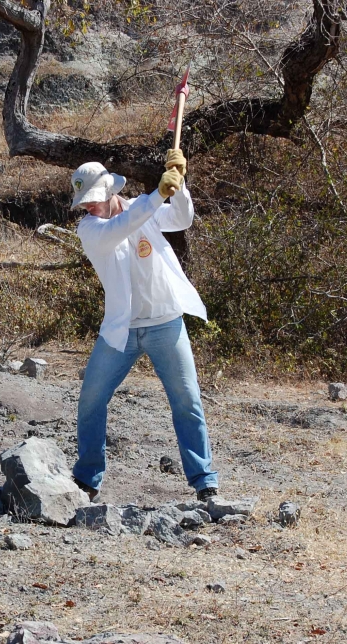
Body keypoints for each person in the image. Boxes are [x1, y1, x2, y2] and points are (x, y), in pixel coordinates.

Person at [69, 149, 219, 502]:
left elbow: (182, 219)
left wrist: (177, 186)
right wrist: (158, 195)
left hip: (166, 322)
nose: (88, 206)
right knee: (91, 398)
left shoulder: (143, 207)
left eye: (92, 199)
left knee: (187, 401)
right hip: (121, 331)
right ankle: (87, 479)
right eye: (84, 202)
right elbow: (124, 226)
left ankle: (204, 481)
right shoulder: (90, 229)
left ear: (109, 192)